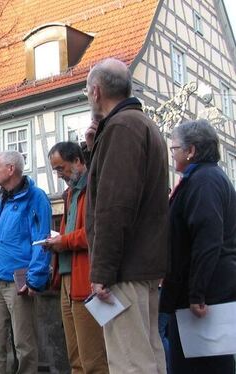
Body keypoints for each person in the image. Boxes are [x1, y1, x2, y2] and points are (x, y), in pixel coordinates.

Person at [84, 58, 168, 373]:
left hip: (124, 269)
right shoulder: (144, 124)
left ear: (96, 91)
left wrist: (102, 271)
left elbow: (114, 206)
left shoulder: (121, 128)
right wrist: (94, 149)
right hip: (142, 265)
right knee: (150, 358)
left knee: (130, 363)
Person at [160, 120, 236, 373]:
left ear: (191, 150)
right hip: (203, 291)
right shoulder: (206, 177)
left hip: (206, 296)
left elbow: (208, 239)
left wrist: (197, 293)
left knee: (202, 365)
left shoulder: (204, 181)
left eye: (174, 149)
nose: (173, 155)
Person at [0, 150, 52, 374]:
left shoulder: (36, 198)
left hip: (19, 282)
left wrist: (34, 279)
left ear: (11, 169)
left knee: (24, 343)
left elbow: (41, 241)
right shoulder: (1, 200)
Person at [44, 142, 108, 374]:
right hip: (68, 277)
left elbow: (98, 230)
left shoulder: (94, 187)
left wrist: (64, 242)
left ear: (78, 161)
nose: (60, 175)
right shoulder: (70, 194)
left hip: (86, 278)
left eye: (61, 168)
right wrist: (56, 244)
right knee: (75, 357)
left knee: (93, 357)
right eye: (56, 170)